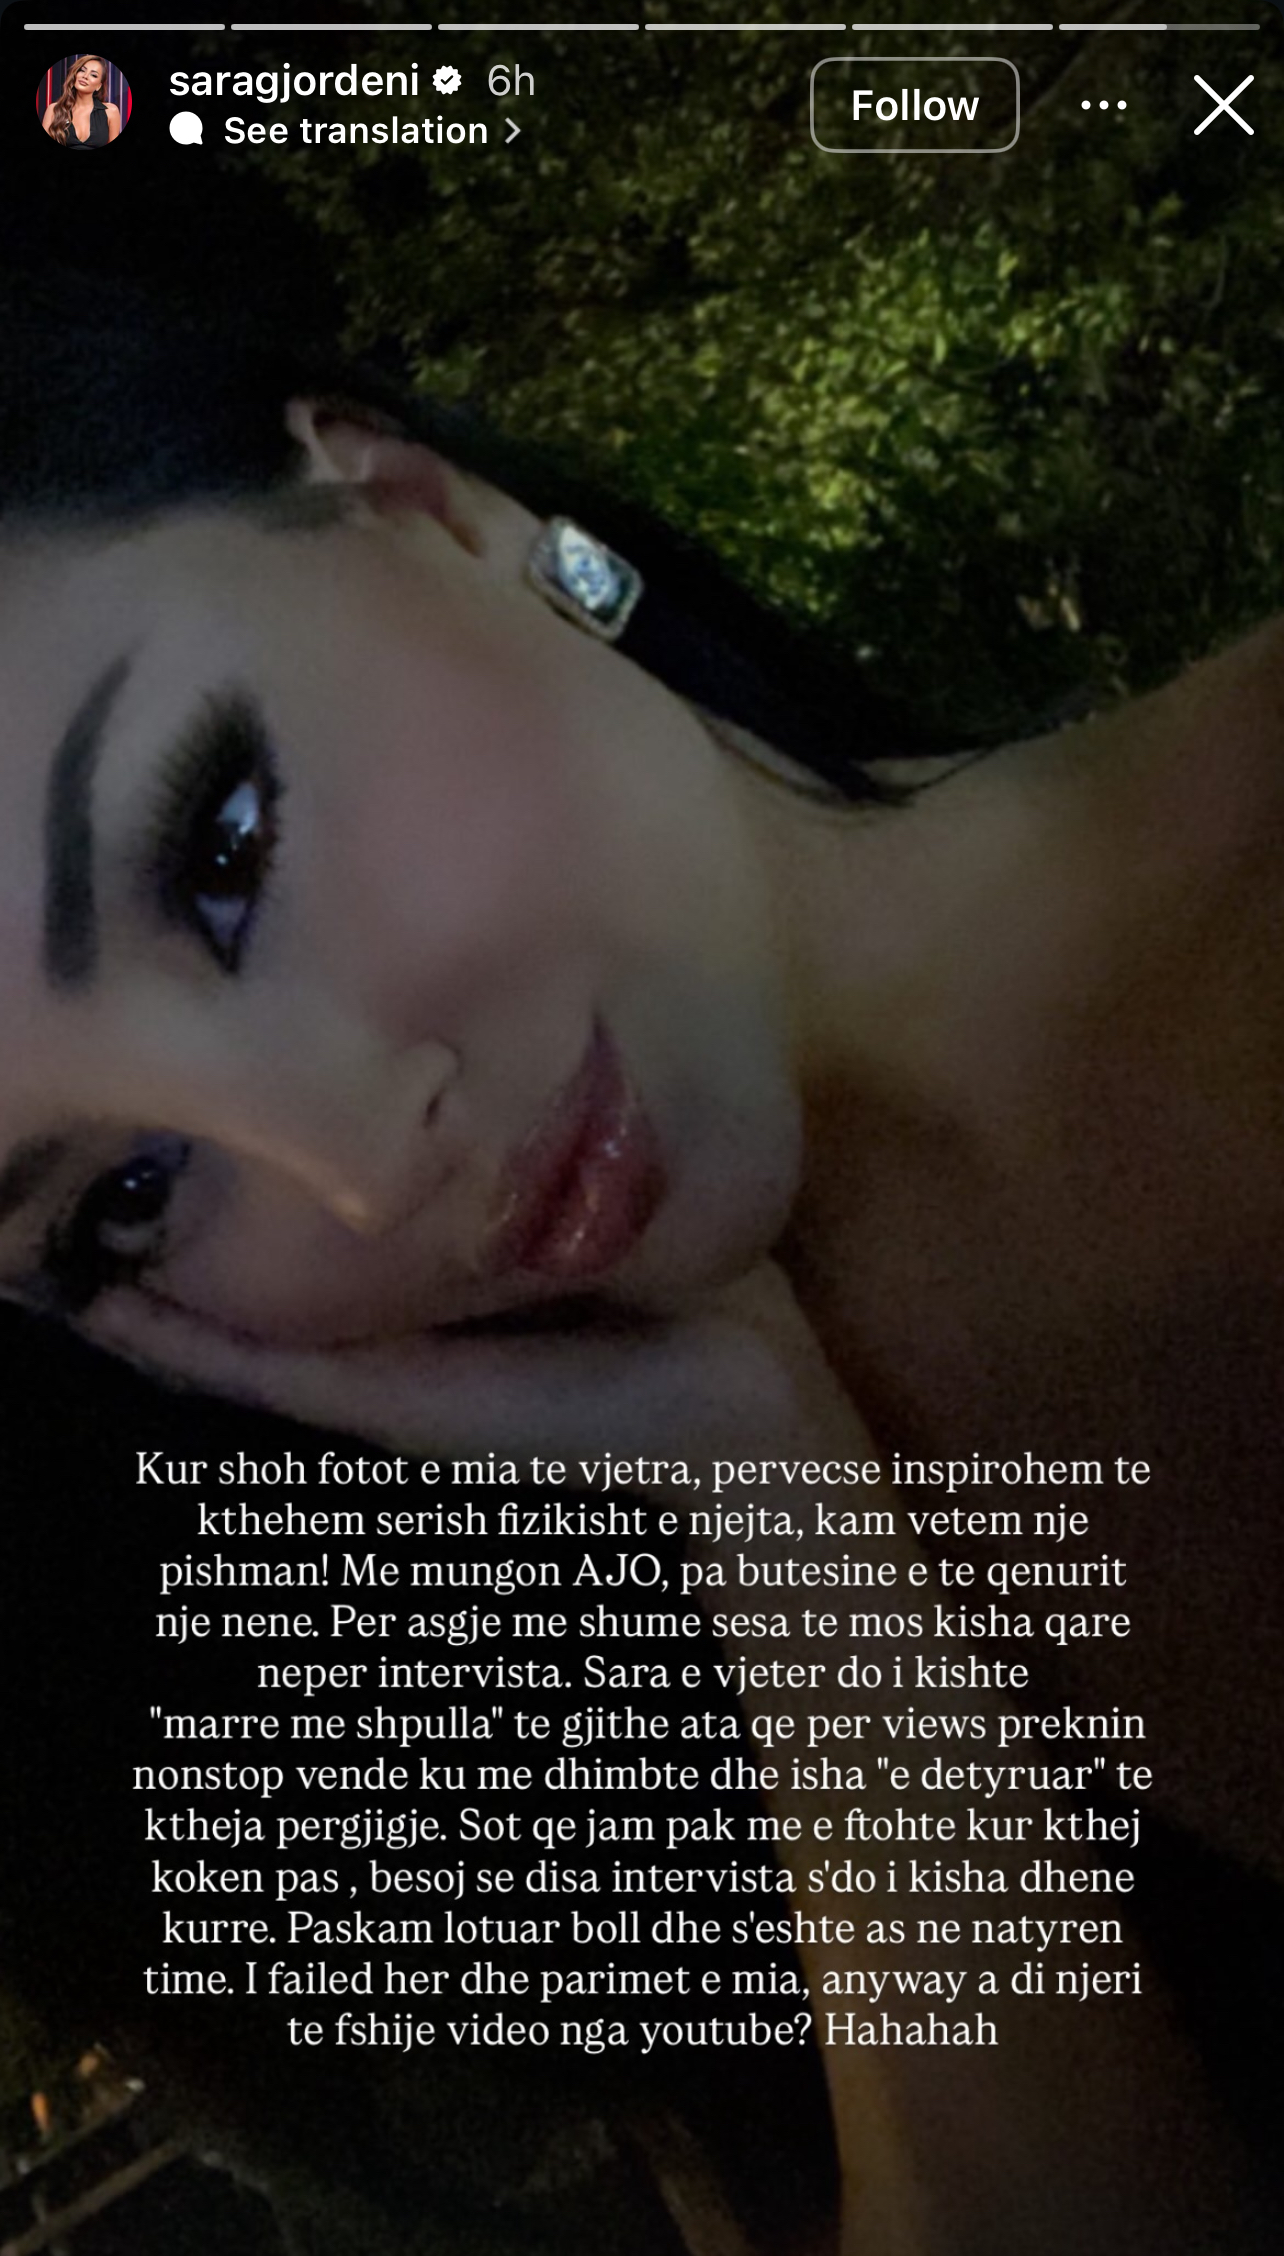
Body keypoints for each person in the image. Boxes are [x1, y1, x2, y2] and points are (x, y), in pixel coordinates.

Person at [0, 275, 1281, 2252]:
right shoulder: (583, 1744)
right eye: (129, 1199)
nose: (355, 1171)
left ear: (421, 506)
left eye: (222, 847)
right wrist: (775, 1512)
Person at [42, 56, 122, 148]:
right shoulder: (54, 109)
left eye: (93, 75)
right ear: (75, 74)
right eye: (82, 70)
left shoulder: (111, 111)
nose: (85, 76)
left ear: (98, 86)